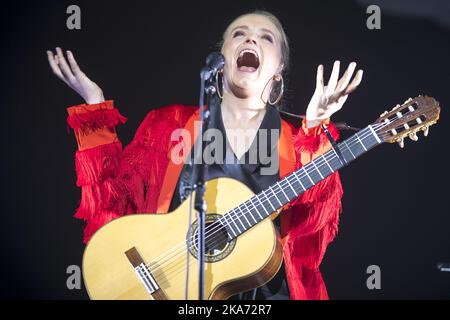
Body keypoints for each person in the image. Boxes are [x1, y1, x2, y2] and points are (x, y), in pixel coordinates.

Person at [47, 10, 363, 300]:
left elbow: (314, 223)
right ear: (221, 58)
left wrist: (317, 124)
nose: (251, 38)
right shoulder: (168, 126)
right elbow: (112, 209)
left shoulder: (299, 139)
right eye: (239, 34)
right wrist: (94, 109)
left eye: (266, 37)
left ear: (278, 70)